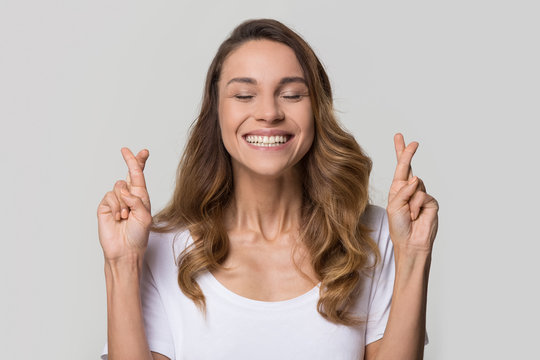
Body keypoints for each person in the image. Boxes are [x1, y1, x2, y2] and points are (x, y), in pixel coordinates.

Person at [97, 19, 439, 360]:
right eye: (244, 95)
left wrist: (414, 254)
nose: (269, 113)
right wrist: (122, 264)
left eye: (291, 94)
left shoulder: (375, 235)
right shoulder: (159, 246)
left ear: (317, 110)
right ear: (216, 111)